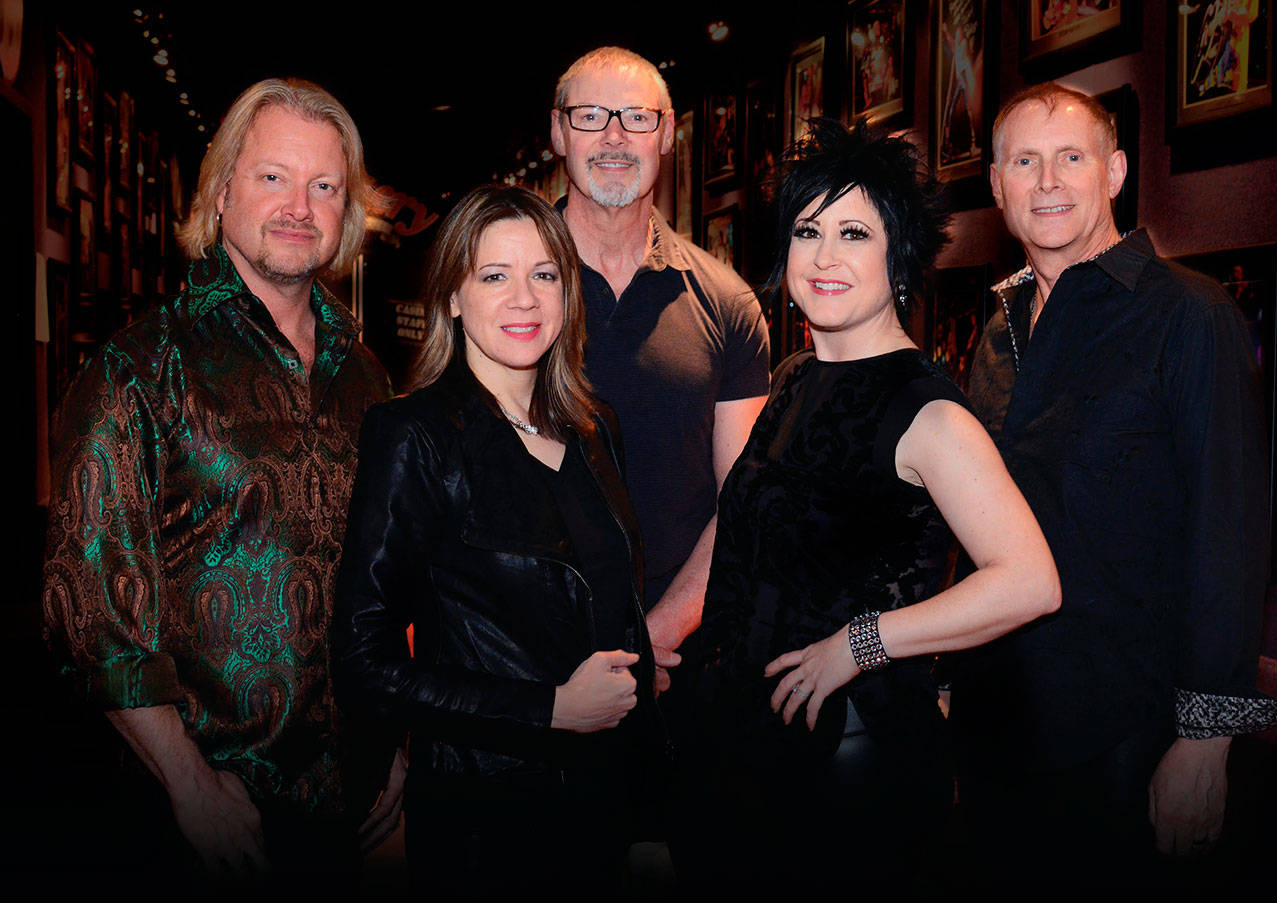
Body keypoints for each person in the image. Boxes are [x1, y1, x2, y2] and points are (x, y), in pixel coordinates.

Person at [683, 118, 1061, 893]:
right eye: (807, 229)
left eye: (853, 231)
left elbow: (1030, 579)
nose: (823, 256)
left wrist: (862, 642)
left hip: (854, 768)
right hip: (751, 754)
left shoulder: (928, 411)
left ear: (899, 259)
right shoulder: (791, 377)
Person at [41, 78, 402, 887]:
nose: (299, 207)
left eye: (324, 186)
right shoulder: (138, 369)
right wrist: (190, 785)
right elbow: (89, 614)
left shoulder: (370, 378)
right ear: (222, 188)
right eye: (273, 176)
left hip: (360, 812)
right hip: (207, 818)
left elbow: (396, 583)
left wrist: (403, 743)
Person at [953, 82, 1277, 891]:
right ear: (997, 187)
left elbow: (1230, 530)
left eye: (1072, 158)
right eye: (1025, 162)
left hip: (1128, 737)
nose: (1049, 181)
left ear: (1117, 172)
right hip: (1000, 727)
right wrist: (952, 677)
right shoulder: (996, 332)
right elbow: (977, 519)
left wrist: (1206, 739)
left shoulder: (1192, 318)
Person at [331, 185, 665, 897]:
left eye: (544, 274)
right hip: (487, 820)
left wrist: (650, 819)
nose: (524, 299)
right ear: (453, 296)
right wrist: (547, 708)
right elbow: (364, 662)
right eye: (494, 275)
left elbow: (620, 621)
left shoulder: (594, 427)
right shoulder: (413, 437)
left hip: (604, 806)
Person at [549, 47, 770, 693]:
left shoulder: (728, 304)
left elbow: (743, 502)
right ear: (558, 131)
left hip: (680, 672)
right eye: (591, 115)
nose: (614, 135)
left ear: (669, 133)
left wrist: (658, 634)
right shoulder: (504, 291)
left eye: (637, 118)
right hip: (523, 672)